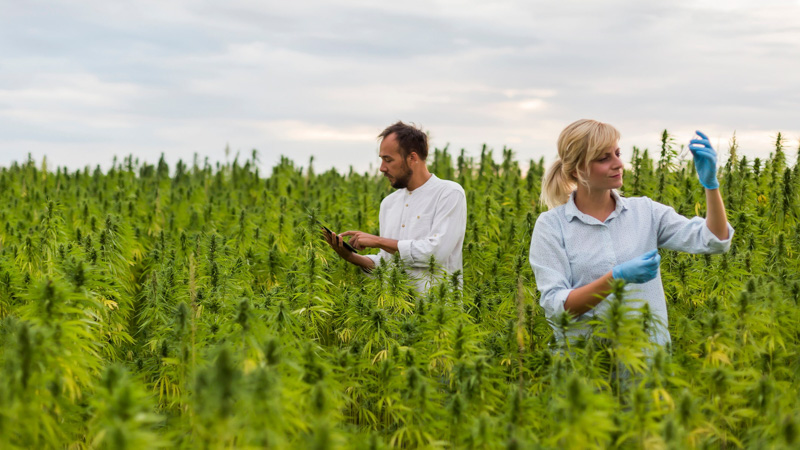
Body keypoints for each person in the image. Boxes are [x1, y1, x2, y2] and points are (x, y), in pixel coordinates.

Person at [529, 119, 733, 346]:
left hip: (648, 364)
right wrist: (615, 278)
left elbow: (714, 240)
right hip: (587, 366)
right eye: (604, 158)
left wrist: (711, 186)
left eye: (617, 153)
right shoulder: (552, 226)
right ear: (578, 169)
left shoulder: (645, 211)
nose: (618, 164)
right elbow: (557, 307)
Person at [323, 121, 467, 293]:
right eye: (381, 160)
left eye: (388, 160)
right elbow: (387, 265)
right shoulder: (389, 204)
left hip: (436, 314)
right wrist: (350, 256)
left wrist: (377, 241)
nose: (382, 168)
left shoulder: (449, 193)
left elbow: (435, 253)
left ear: (412, 158)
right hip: (394, 314)